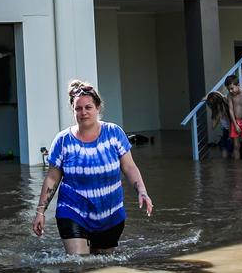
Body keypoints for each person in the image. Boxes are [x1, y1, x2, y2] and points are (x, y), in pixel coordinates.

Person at [32, 80, 153, 255]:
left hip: (110, 213)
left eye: (88, 107)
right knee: (78, 263)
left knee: (101, 264)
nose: (83, 112)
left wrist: (142, 192)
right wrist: (40, 212)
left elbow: (129, 167)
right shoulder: (63, 140)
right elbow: (52, 178)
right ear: (73, 111)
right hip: (72, 211)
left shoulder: (114, 133)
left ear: (97, 108)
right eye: (78, 109)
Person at [225, 75, 242, 160]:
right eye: (229, 89)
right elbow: (230, 110)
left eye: (232, 88)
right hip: (235, 122)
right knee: (236, 146)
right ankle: (237, 168)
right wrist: (235, 124)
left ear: (238, 85)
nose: (230, 91)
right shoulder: (230, 96)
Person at [204, 91, 233, 159]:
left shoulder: (224, 110)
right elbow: (213, 126)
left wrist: (230, 135)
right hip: (226, 130)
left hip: (230, 131)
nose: (210, 107)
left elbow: (229, 123)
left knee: (227, 149)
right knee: (225, 148)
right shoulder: (219, 110)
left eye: (211, 105)